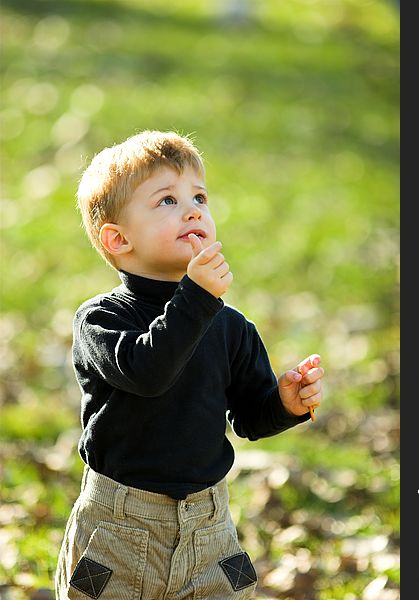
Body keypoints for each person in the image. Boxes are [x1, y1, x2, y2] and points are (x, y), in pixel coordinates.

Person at [55, 130, 324, 599]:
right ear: (118, 239)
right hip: (120, 529)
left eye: (199, 196)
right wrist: (196, 298)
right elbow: (147, 371)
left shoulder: (229, 326)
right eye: (166, 201)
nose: (193, 209)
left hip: (209, 528)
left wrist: (285, 402)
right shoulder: (101, 320)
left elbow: (249, 418)